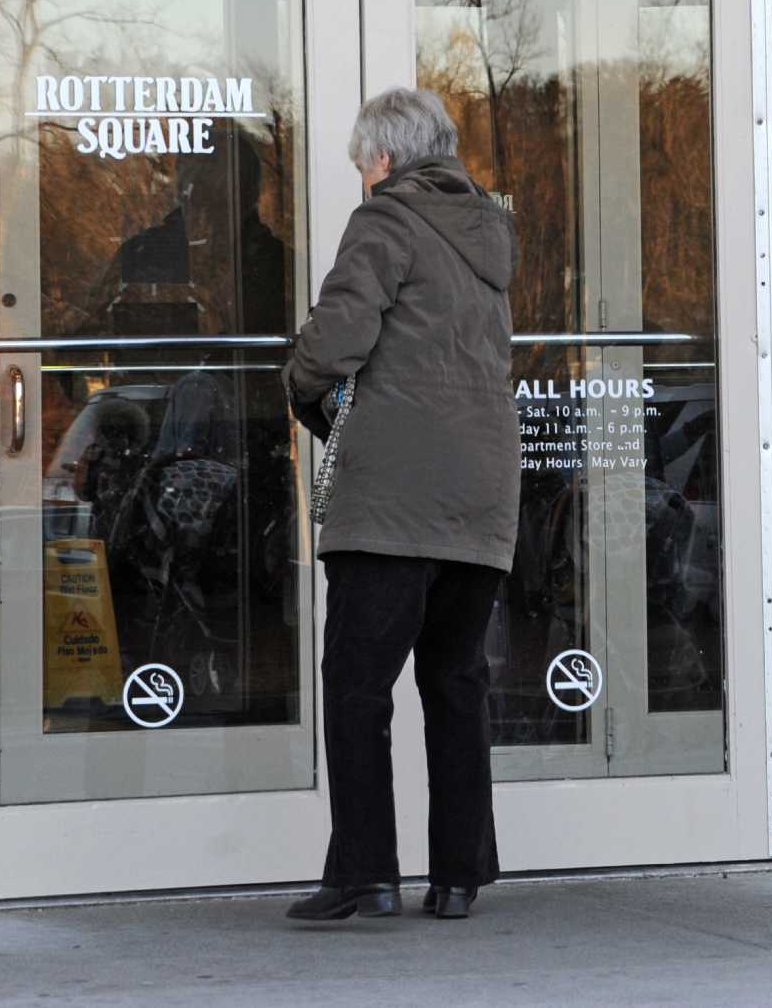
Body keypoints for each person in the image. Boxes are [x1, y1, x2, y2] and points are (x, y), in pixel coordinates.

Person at [281, 87, 518, 923]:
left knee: (356, 685)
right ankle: (458, 876)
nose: (359, 178)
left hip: (392, 497)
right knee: (456, 681)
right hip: (482, 493)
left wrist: (301, 384)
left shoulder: (385, 221)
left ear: (384, 159)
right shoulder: (489, 233)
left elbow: (338, 338)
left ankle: (365, 875)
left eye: (360, 164)